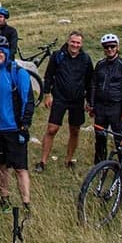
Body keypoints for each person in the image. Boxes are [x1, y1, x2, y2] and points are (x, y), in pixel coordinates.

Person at [0, 35, 35, 216]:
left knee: (20, 168)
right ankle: (4, 200)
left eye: (0, 52)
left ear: (6, 53)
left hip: (14, 129)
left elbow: (28, 101)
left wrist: (24, 125)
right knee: (1, 166)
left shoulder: (17, 73)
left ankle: (26, 204)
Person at [38, 31, 94, 172]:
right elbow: (48, 76)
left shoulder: (86, 59)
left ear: (81, 44)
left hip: (77, 100)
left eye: (78, 43)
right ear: (68, 41)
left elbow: (90, 82)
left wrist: (89, 101)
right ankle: (42, 162)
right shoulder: (58, 56)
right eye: (73, 42)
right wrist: (47, 94)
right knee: (52, 129)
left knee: (75, 130)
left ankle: (69, 160)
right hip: (60, 98)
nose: (75, 45)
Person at [88, 33, 122, 164]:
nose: (109, 49)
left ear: (117, 47)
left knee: (119, 139)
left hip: (117, 108)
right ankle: (100, 166)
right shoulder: (100, 64)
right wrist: (91, 104)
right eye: (106, 47)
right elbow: (94, 85)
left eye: (112, 46)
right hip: (100, 107)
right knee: (100, 137)